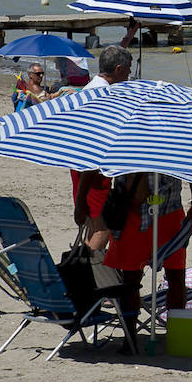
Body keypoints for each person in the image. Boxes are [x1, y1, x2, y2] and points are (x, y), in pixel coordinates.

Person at [102, 172, 192, 351]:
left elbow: (190, 168)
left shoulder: (172, 144)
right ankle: (131, 336)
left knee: (173, 277)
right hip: (135, 215)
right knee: (132, 280)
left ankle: (171, 333)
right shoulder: (124, 145)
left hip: (166, 212)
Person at [72, 44, 136, 249]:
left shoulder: (93, 88)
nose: (129, 75)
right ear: (118, 69)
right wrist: (81, 199)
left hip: (85, 167)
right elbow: (94, 145)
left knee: (94, 224)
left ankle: (86, 265)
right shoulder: (102, 96)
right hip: (91, 170)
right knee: (103, 228)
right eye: (128, 70)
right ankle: (89, 272)